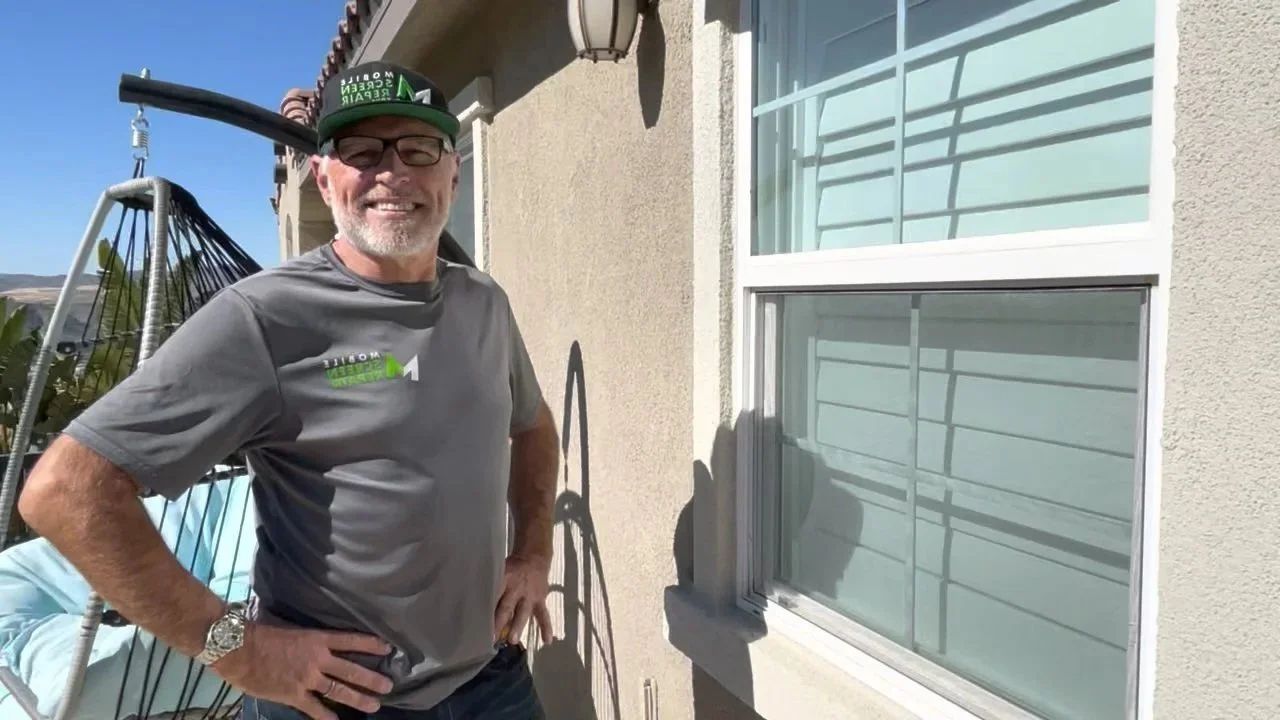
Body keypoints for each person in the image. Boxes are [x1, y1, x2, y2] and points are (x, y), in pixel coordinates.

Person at [17, 61, 561, 720]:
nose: (393, 172)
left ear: (453, 171)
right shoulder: (264, 318)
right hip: (336, 702)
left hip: (491, 684)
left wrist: (532, 553)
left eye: (419, 150)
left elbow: (532, 426)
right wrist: (238, 652)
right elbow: (66, 492)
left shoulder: (484, 304)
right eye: (363, 151)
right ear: (326, 178)